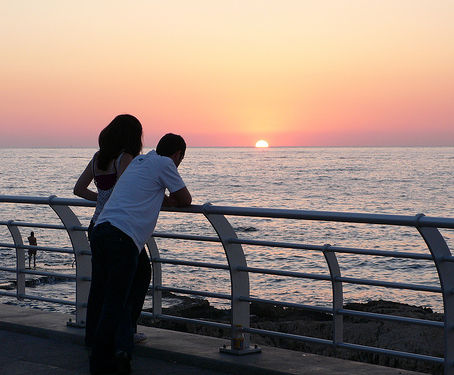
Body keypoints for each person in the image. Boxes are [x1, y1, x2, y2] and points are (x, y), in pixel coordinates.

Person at [89, 133, 191, 375]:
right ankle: (103, 361)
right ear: (177, 155)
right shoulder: (165, 163)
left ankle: (122, 347)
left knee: (130, 285)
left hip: (102, 230)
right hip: (122, 237)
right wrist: (173, 201)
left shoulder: (139, 162)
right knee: (115, 302)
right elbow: (185, 199)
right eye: (181, 159)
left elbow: (149, 192)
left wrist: (164, 199)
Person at [73, 114, 151, 348]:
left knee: (100, 284)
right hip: (120, 227)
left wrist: (101, 199)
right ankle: (124, 332)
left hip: (96, 226)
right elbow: (132, 189)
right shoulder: (124, 158)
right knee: (138, 278)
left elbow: (79, 189)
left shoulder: (98, 158)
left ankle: (94, 335)